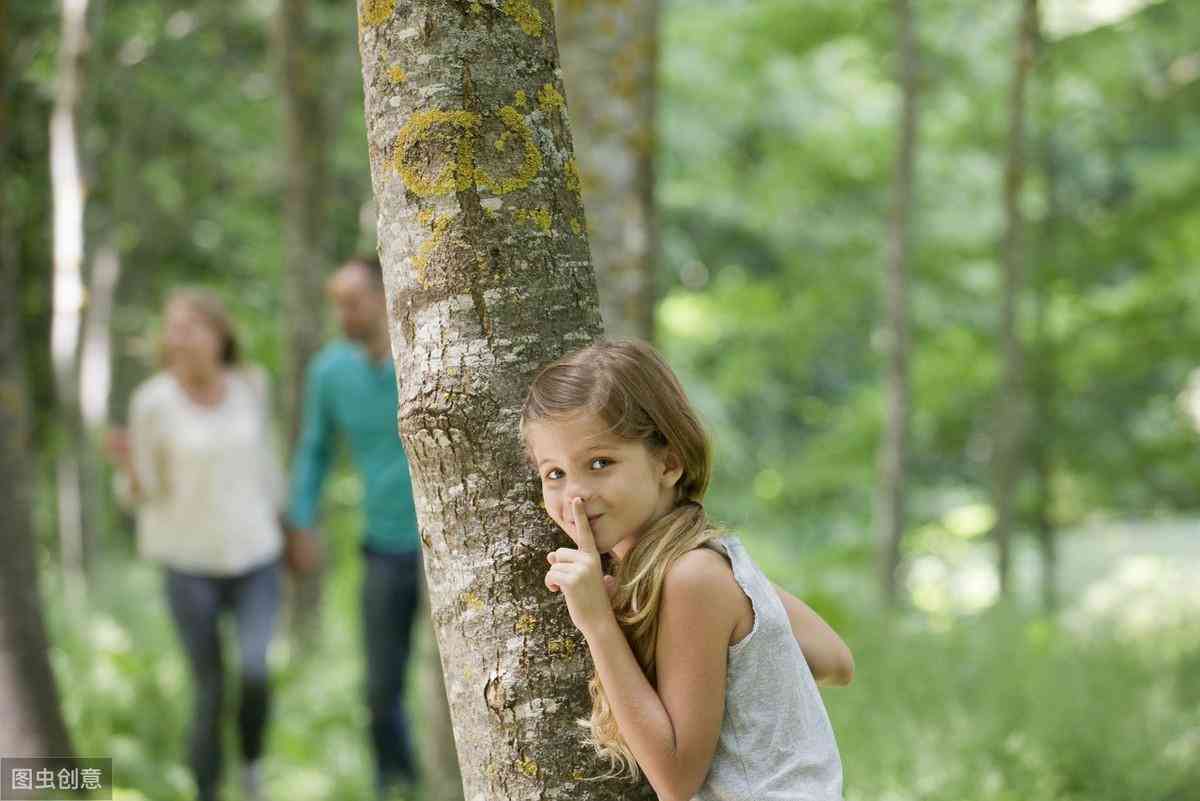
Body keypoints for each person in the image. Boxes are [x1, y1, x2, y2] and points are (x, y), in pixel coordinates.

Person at [521, 339, 854, 801]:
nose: (575, 493)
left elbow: (676, 782)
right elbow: (834, 657)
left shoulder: (693, 577)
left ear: (669, 463)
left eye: (601, 463)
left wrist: (598, 624)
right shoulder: (712, 562)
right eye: (553, 473)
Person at [108, 289, 285, 801]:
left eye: (190, 328)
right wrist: (128, 471)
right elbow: (143, 493)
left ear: (218, 335)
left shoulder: (252, 385)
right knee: (209, 690)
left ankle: (251, 769)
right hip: (188, 566)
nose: (178, 339)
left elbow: (267, 465)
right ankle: (206, 791)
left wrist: (293, 526)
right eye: (173, 329)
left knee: (254, 670)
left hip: (256, 556)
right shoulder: (152, 402)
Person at [285, 255, 423, 799]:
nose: (342, 313)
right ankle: (398, 784)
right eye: (336, 303)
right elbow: (315, 453)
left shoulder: (425, 354)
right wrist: (302, 522)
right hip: (384, 547)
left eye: (352, 301)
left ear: (385, 294)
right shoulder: (329, 373)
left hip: (448, 549)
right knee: (380, 685)